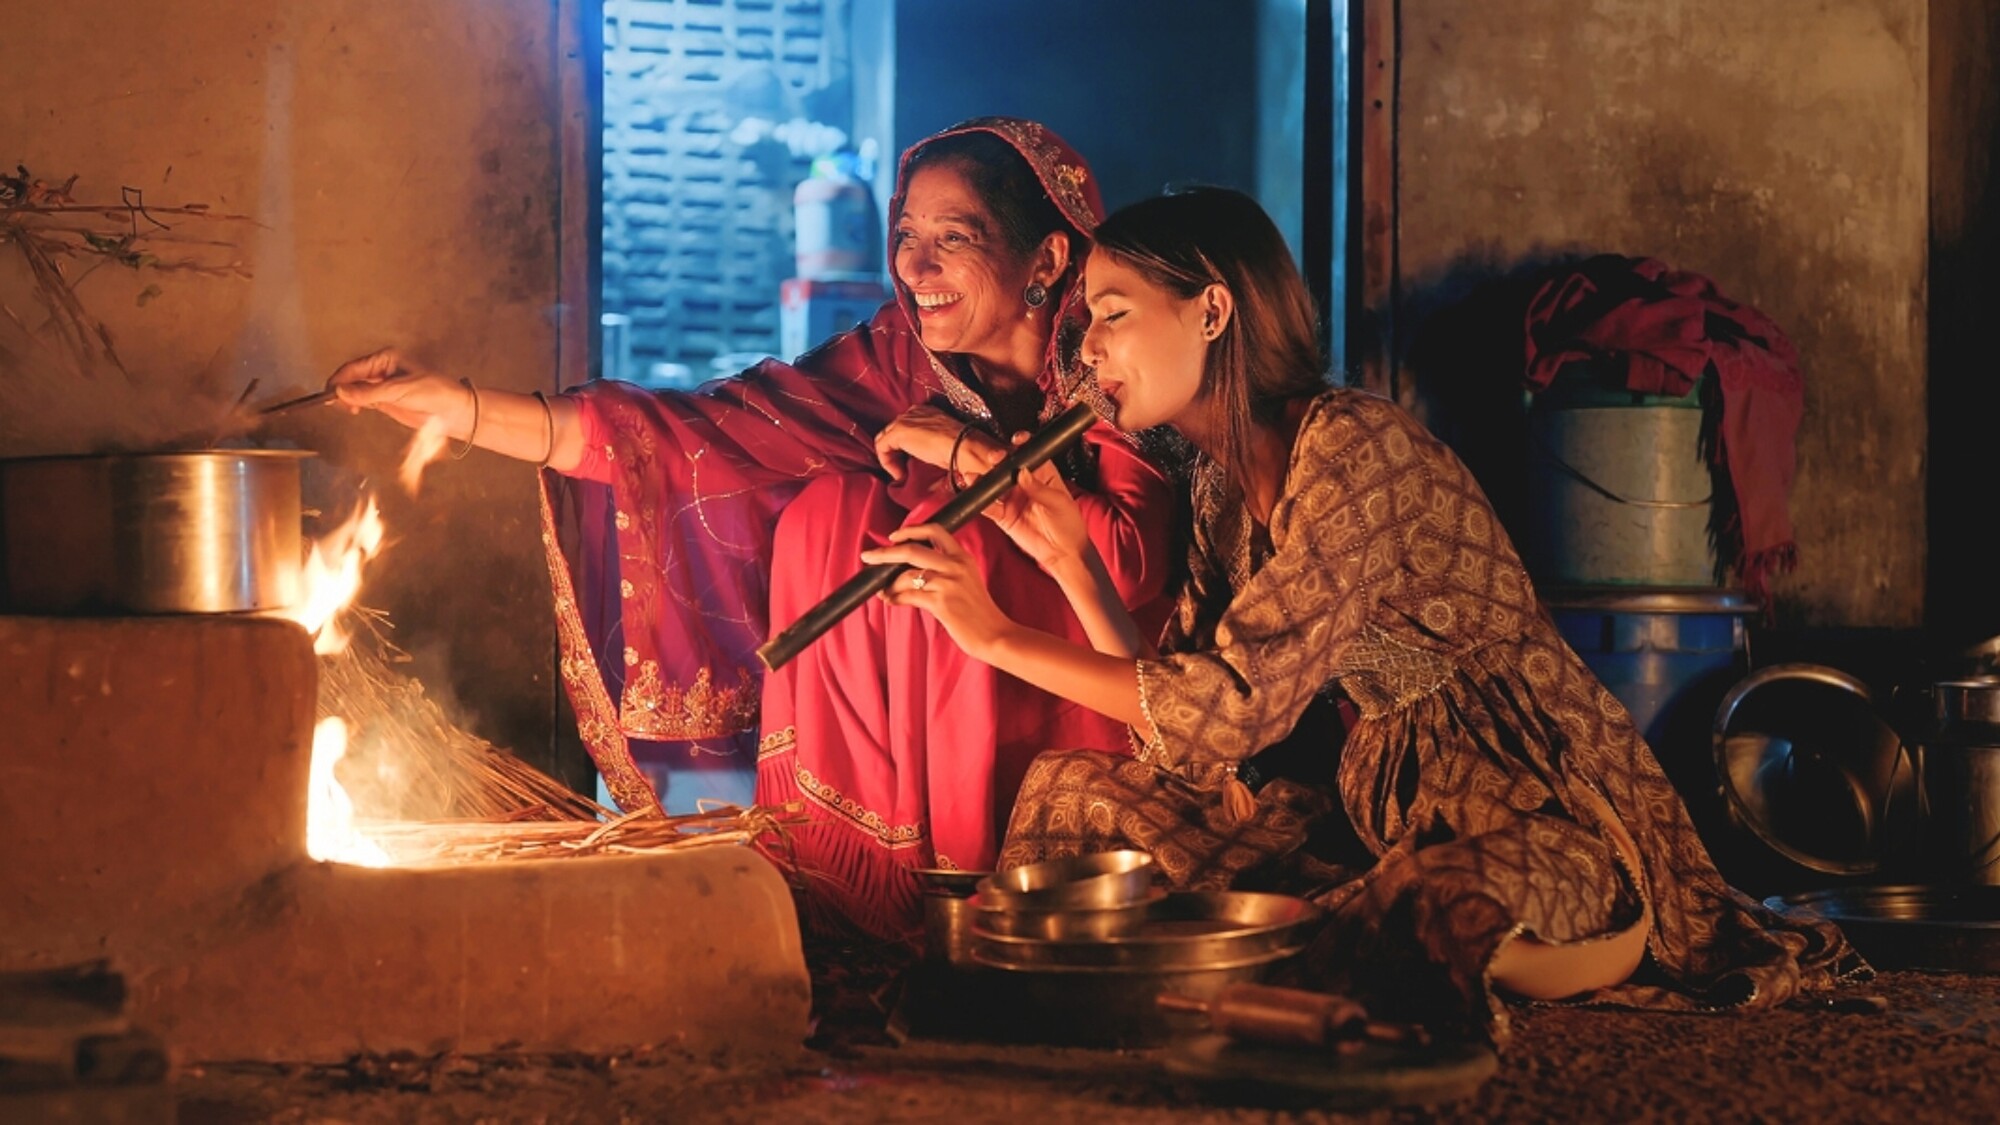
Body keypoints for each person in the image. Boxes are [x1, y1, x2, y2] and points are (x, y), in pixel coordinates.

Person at [859, 186, 1867, 1040]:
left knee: (1426, 905)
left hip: (1543, 819)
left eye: (1111, 313)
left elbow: (1231, 708)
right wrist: (1076, 568)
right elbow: (1187, 738)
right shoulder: (1218, 487)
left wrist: (990, 633)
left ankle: (1252, 978)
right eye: (1085, 322)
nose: (1086, 351)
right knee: (1078, 791)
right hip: (1372, 816)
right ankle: (1182, 982)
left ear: (1211, 311)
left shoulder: (1353, 448)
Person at [326, 118, 1181, 943]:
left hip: (1104, 685)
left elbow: (1131, 565)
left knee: (923, 527)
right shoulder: (898, 359)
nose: (915, 266)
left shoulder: (1109, 350)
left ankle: (977, 866)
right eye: (906, 233)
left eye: (952, 238)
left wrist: (969, 460)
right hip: (975, 665)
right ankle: (857, 881)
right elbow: (698, 433)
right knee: (827, 513)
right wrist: (454, 410)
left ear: (1047, 257)